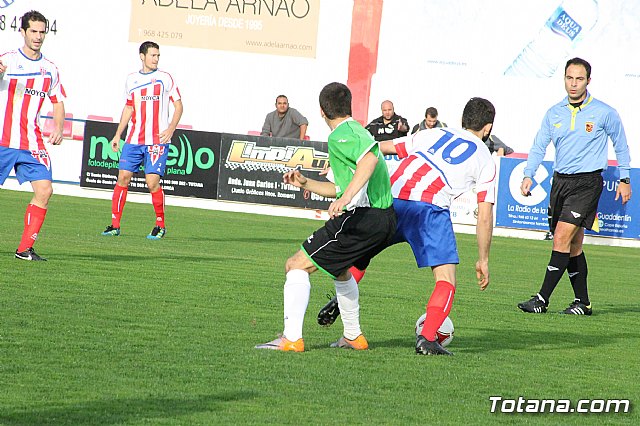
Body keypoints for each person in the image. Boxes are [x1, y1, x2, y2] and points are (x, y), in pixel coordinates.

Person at [317, 98, 498, 355]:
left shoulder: (434, 132)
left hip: (392, 198)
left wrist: (344, 159)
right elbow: (484, 215)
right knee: (445, 279)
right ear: (487, 128)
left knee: (362, 255)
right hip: (429, 207)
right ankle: (426, 338)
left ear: (463, 119)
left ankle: (342, 299)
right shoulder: (485, 158)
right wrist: (483, 258)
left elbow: (383, 147)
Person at [255, 82, 396, 352]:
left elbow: (369, 162)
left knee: (295, 265)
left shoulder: (342, 134)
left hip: (364, 217)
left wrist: (344, 200)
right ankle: (354, 337)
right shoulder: (356, 131)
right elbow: (340, 188)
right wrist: (305, 183)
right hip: (383, 219)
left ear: (321, 111)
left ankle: (291, 339)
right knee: (339, 269)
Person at [517, 57, 631, 316]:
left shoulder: (604, 112)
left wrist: (624, 179)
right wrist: (528, 174)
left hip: (587, 183)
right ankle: (583, 302)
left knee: (560, 237)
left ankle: (541, 299)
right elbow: (538, 146)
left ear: (588, 81)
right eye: (570, 78)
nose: (574, 83)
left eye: (579, 79)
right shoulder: (554, 112)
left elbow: (621, 145)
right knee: (574, 245)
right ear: (564, 79)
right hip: (560, 182)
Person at [0, 10, 66, 261]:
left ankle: (24, 249)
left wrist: (58, 127)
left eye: (42, 32)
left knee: (45, 190)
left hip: (32, 142)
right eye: (33, 31)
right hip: (2, 139)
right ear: (23, 32)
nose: (38, 36)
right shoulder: (6, 60)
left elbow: (58, 102)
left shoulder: (50, 69)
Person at [101, 41, 183, 240]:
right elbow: (129, 108)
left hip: (157, 140)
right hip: (134, 139)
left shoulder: (165, 78)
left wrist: (171, 129)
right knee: (122, 178)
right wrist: (117, 134)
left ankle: (160, 225)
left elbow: (179, 106)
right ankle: (114, 225)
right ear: (142, 56)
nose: (156, 59)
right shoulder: (132, 79)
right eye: (153, 55)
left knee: (152, 182)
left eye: (158, 56)